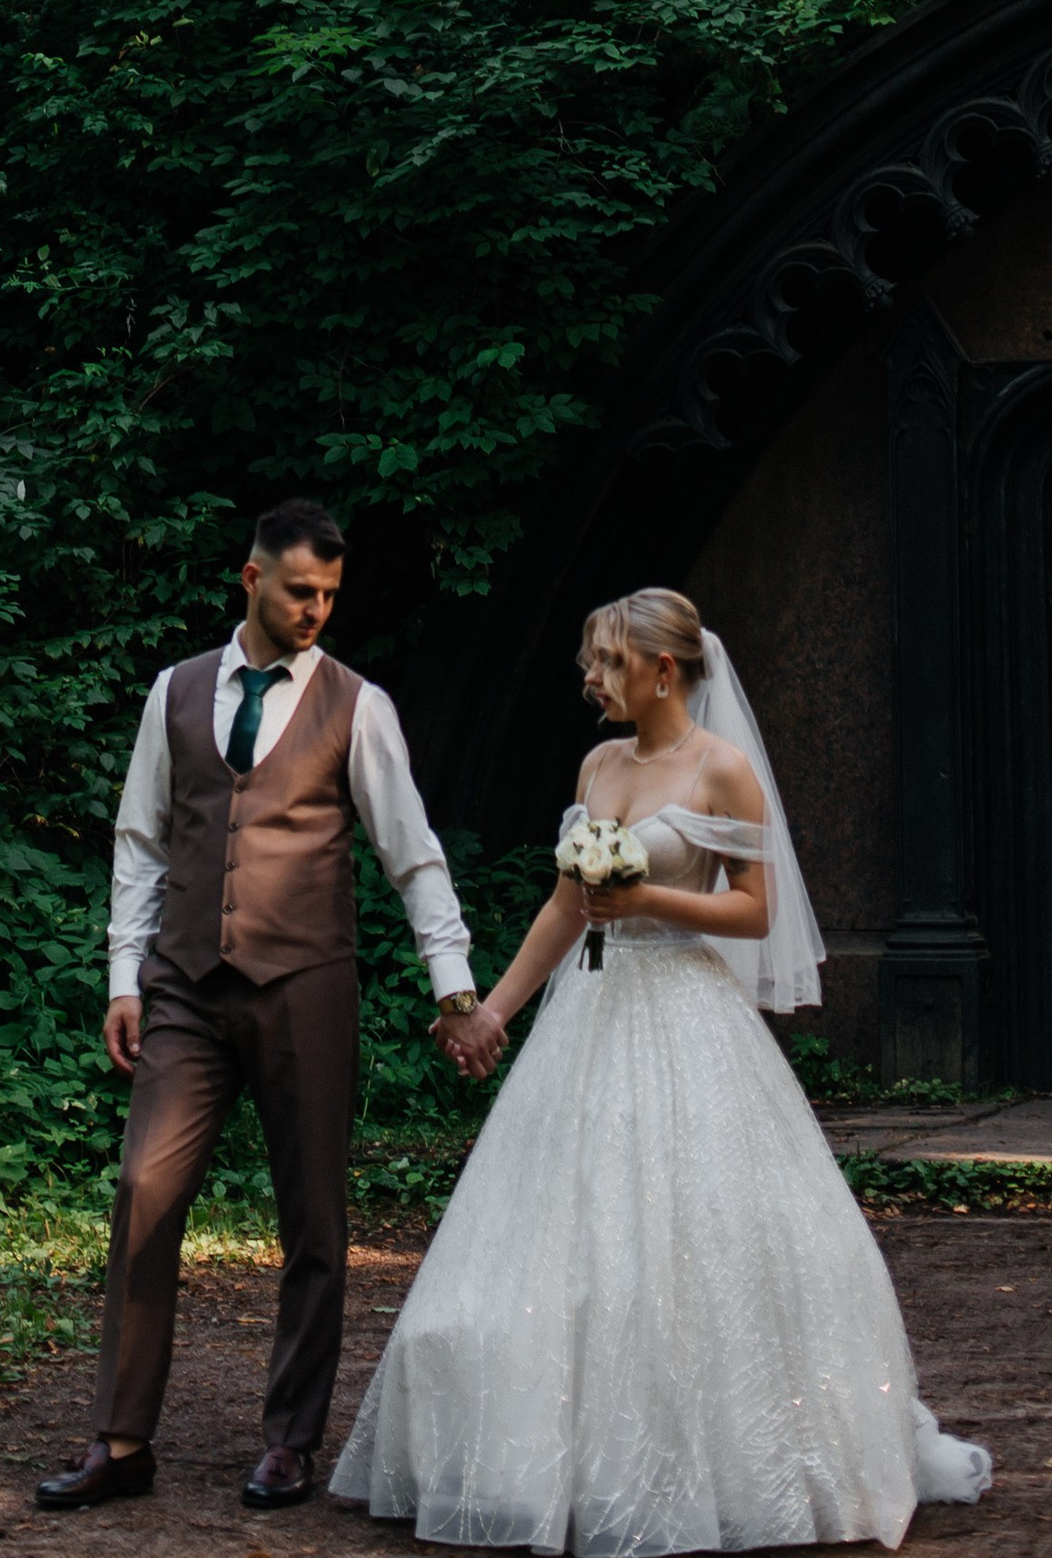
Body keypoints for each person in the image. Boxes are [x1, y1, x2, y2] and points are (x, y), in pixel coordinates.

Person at [333, 589, 992, 1556]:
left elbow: (757, 911)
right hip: (591, 1017)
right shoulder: (600, 764)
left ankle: (716, 1462)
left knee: (704, 1242)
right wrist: (495, 1013)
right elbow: (566, 906)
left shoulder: (724, 772)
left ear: (662, 671)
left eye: (603, 664)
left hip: (687, 1014)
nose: (589, 681)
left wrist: (648, 899)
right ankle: (542, 1461)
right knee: (560, 1233)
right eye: (588, 665)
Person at [36, 500, 482, 1519]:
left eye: (328, 593)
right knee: (144, 1193)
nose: (315, 610)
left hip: (303, 986)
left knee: (313, 1222)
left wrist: (450, 984)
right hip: (184, 989)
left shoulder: (357, 705)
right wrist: (123, 978)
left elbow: (410, 853)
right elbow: (140, 842)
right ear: (250, 581)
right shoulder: (175, 692)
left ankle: (288, 1442)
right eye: (298, 592)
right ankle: (119, 1437)